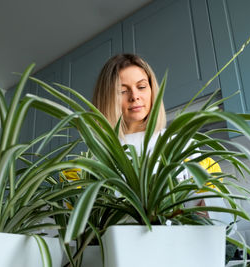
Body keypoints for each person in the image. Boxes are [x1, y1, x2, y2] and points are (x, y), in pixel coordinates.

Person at [92, 53, 234, 227]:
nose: (134, 96)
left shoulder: (180, 146)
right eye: (122, 90)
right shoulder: (98, 159)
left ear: (152, 90)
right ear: (107, 98)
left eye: (142, 86)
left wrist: (207, 197)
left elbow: (218, 222)